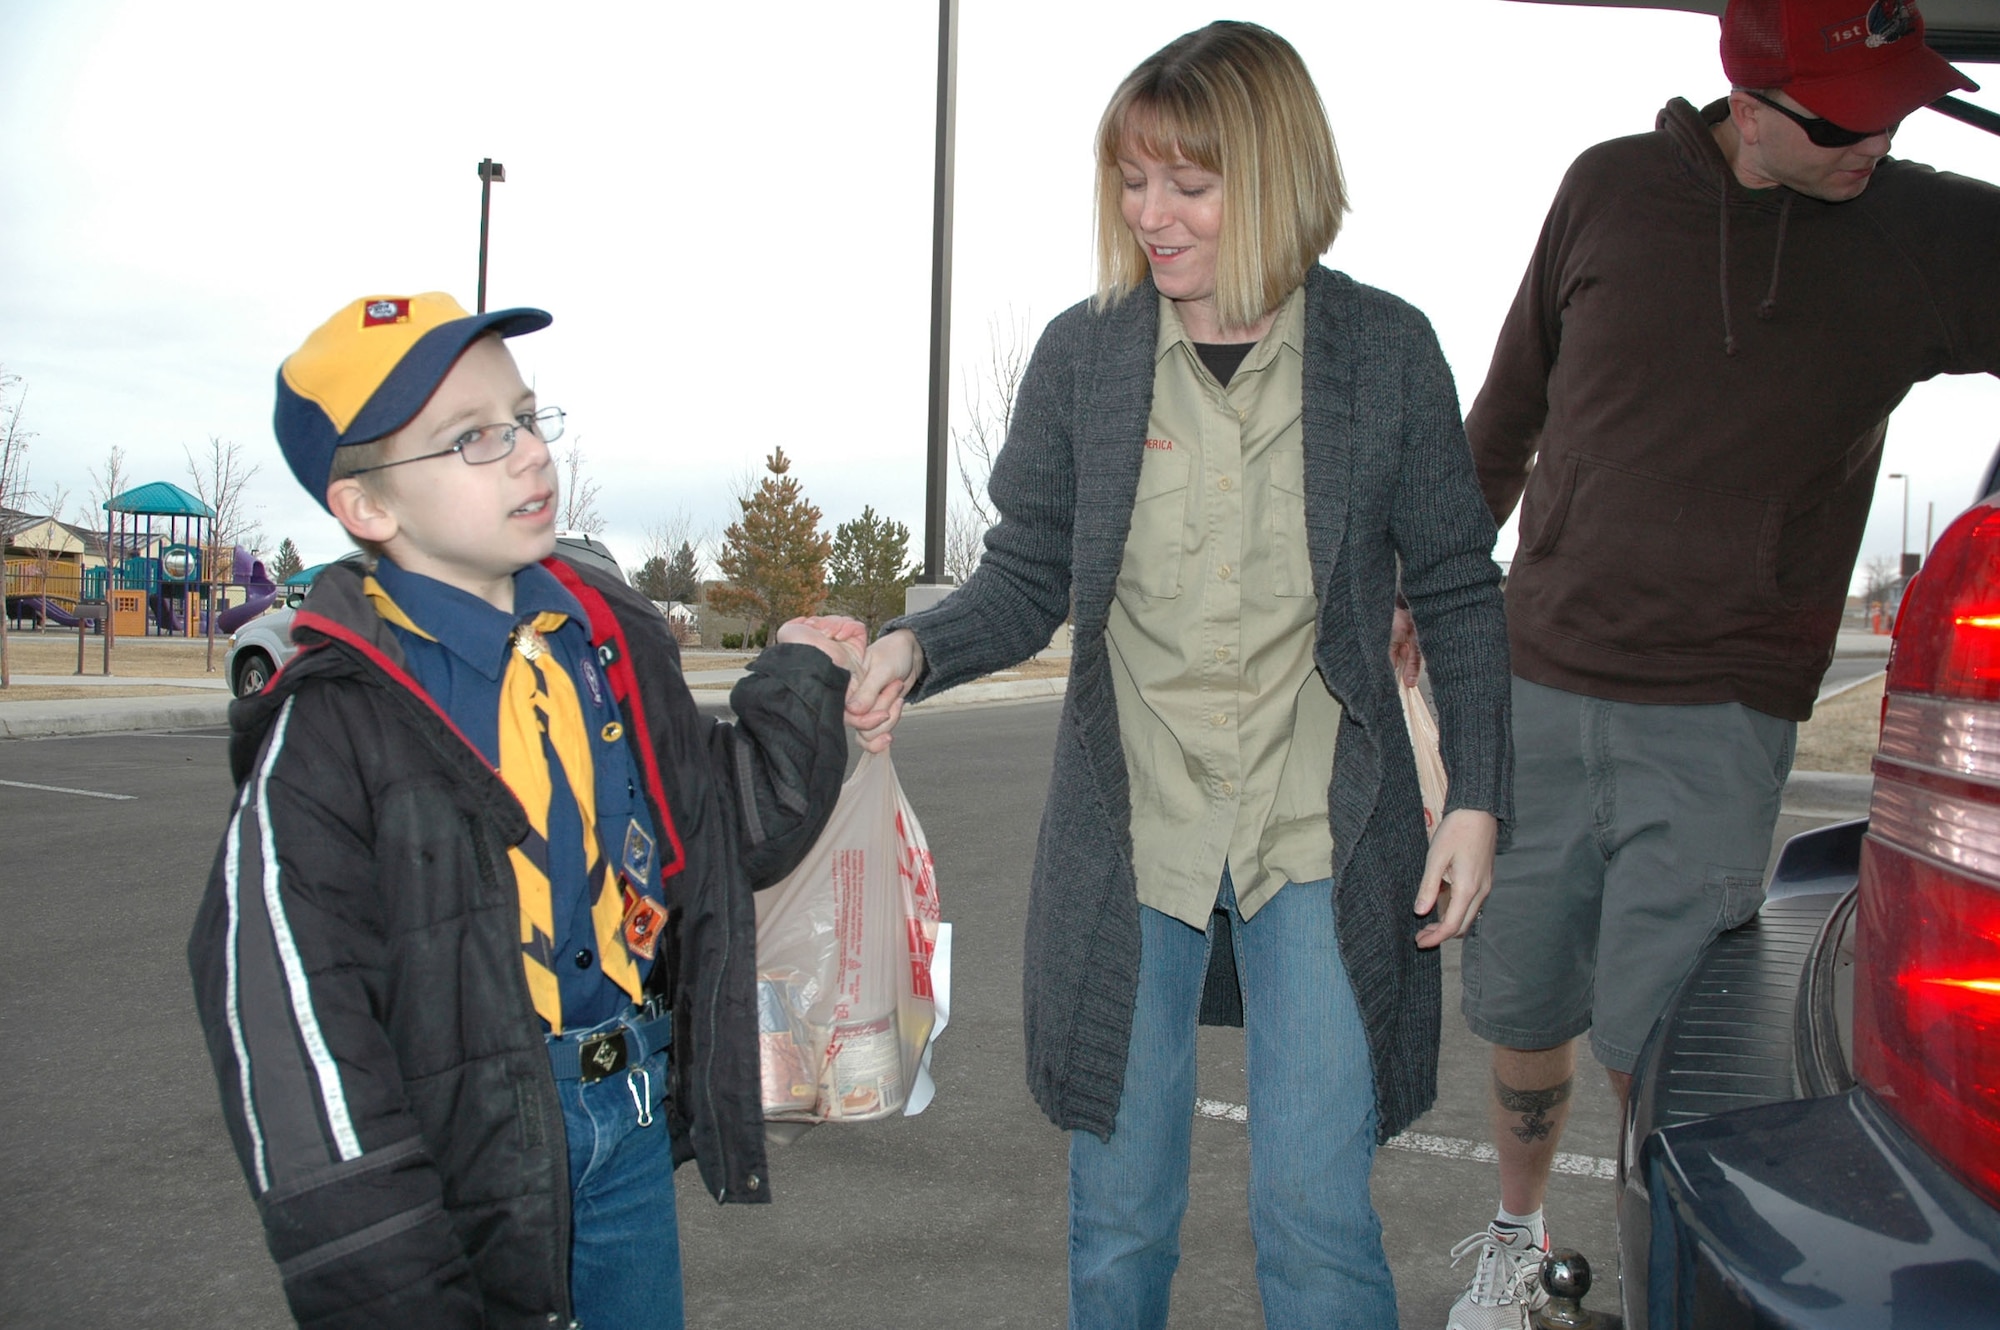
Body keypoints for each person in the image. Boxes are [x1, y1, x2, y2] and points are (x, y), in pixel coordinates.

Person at [844, 22, 1512, 1329]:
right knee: (1117, 1229)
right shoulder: (1084, 357)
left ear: (1272, 177)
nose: (1151, 214)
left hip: (1319, 834)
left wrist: (1479, 794)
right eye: (1133, 179)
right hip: (1129, 837)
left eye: (1189, 185)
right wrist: (915, 647)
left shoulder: (1385, 356)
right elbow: (1028, 573)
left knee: (1317, 1228)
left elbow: (1456, 589)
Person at [1448, 1, 2000, 1326]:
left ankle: (1670, 1283)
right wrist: (1436, 576)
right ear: (1745, 99)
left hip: (1718, 717)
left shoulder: (1918, 233)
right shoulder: (1607, 191)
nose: (1873, 138)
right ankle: (1515, 1239)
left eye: (1893, 108)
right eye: (1838, 118)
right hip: (1538, 677)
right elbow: (1513, 401)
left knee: (1660, 1045)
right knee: (1522, 991)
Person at [187, 292, 867, 1328]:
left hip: (626, 1121)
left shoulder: (602, 640)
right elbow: (297, 1043)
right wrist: (397, 1280)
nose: (529, 455)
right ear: (368, 509)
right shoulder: (331, 734)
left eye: (527, 415)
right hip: (465, 1154)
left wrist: (803, 678)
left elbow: (723, 824)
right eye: (473, 439)